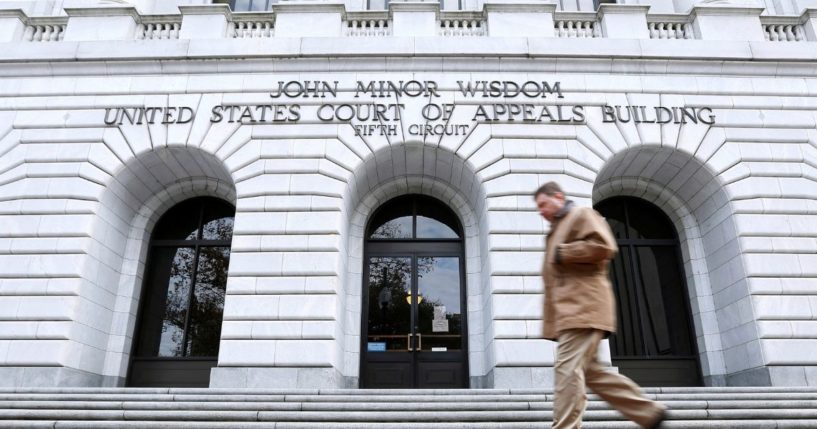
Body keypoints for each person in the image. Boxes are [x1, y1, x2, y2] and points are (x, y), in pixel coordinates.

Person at [535, 182, 666, 429]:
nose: (541, 210)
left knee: (567, 371)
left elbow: (605, 246)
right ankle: (649, 412)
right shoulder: (556, 230)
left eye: (543, 204)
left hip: (583, 308)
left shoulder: (581, 215)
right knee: (593, 374)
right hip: (571, 313)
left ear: (559, 197)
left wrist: (564, 253)